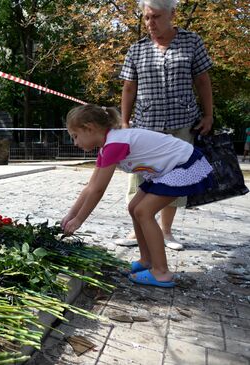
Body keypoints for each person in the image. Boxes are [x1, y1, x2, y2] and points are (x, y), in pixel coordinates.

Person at [60, 104, 214, 287]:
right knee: (134, 208)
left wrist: (79, 221)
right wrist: (71, 215)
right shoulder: (107, 146)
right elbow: (90, 186)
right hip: (168, 170)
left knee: (143, 211)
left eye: (75, 136)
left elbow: (98, 190)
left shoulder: (115, 144)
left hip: (185, 166)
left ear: (89, 128)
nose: (75, 143)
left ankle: (161, 272)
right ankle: (146, 260)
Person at [119, 0, 213, 250]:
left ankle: (166, 232)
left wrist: (208, 115)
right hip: (146, 125)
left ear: (172, 14)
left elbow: (203, 81)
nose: (151, 23)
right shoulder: (136, 49)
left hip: (182, 123)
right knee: (140, 177)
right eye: (147, 18)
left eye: (156, 17)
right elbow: (129, 88)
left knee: (175, 179)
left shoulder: (192, 42)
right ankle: (137, 231)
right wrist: (125, 121)